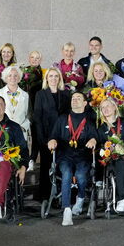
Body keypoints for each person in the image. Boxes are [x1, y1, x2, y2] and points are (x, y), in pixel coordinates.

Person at [47, 91, 97, 226]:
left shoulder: (90, 120)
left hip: (83, 155)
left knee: (81, 175)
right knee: (67, 173)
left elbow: (94, 136)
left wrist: (93, 140)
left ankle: (80, 199)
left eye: (78, 98)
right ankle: (67, 209)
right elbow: (53, 136)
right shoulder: (62, 118)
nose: (74, 100)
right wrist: (51, 141)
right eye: (73, 98)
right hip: (65, 155)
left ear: (85, 103)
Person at [34, 67, 71, 202]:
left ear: (60, 79)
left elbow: (68, 116)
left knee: (62, 166)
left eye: (56, 76)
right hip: (46, 136)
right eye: (51, 76)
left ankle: (62, 196)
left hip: (62, 137)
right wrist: (42, 138)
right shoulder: (40, 94)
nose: (53, 79)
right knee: (46, 167)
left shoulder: (66, 95)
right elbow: (37, 118)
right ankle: (45, 196)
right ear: (46, 79)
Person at [0, 66, 31, 158]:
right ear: (5, 78)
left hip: (20, 132)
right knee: (3, 159)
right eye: (9, 75)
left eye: (15, 75)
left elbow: (28, 114)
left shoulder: (25, 95)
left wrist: (24, 127)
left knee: (19, 159)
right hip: (3, 131)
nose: (13, 78)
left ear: (19, 78)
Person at [19, 50, 44, 171]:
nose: (35, 60)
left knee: (35, 135)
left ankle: (32, 159)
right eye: (32, 57)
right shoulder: (23, 72)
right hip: (23, 106)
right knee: (22, 134)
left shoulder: (43, 73)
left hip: (35, 108)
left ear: (40, 60)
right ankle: (22, 159)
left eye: (37, 58)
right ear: (29, 58)